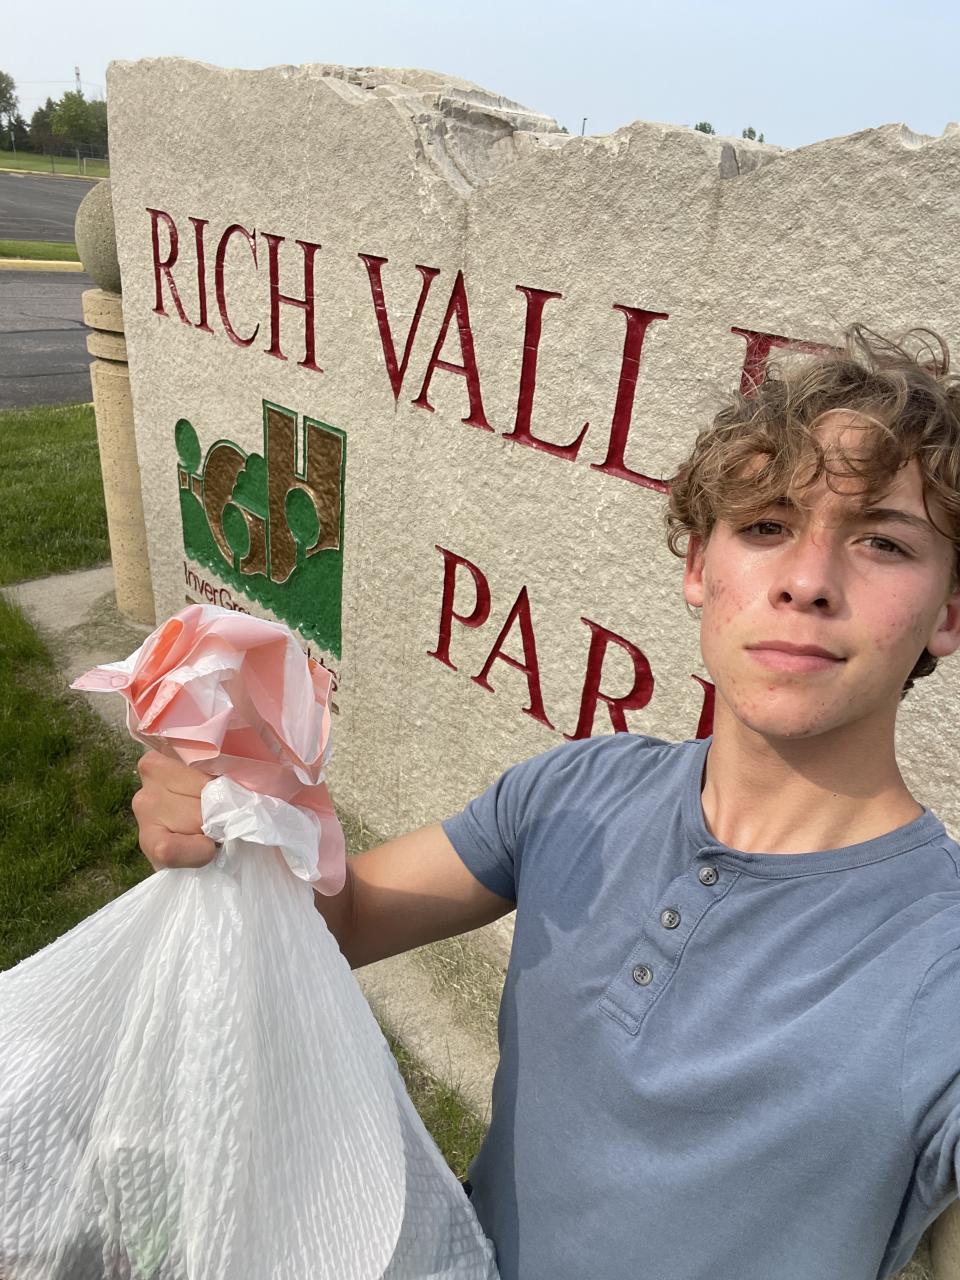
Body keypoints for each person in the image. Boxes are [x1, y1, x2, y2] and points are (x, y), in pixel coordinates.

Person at [132, 325, 960, 1280]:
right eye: (767, 526)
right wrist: (256, 823)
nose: (808, 582)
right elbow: (345, 921)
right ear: (699, 567)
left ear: (947, 612)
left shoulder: (937, 959)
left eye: (883, 542)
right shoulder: (578, 790)